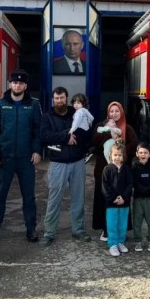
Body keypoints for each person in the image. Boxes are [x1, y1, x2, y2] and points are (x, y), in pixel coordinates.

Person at [0, 69, 42, 244]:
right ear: (10, 84)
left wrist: (37, 151)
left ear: (25, 86)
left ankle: (31, 229)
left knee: (29, 196)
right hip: (5, 157)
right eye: (14, 82)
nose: (17, 85)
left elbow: (37, 130)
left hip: (26, 158)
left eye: (20, 83)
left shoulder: (33, 104)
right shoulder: (0, 104)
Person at [39, 86, 91, 246]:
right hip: (58, 163)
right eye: (56, 98)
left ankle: (78, 230)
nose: (59, 101)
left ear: (66, 98)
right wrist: (65, 137)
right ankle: (49, 232)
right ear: (53, 99)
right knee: (54, 199)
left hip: (77, 161)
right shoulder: (47, 117)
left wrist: (79, 140)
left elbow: (86, 132)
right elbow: (45, 136)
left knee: (78, 198)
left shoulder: (76, 113)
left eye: (62, 98)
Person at [91, 101, 138, 241]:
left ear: (121, 112)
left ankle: (121, 229)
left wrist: (120, 150)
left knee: (122, 199)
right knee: (105, 199)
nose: (114, 114)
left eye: (117, 111)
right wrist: (109, 134)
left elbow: (134, 145)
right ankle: (105, 229)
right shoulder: (101, 126)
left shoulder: (128, 128)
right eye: (111, 111)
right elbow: (94, 142)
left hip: (122, 172)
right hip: (103, 172)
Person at [102, 142, 134, 257]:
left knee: (122, 224)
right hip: (111, 204)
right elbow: (105, 187)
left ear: (123, 156)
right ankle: (113, 244)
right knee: (112, 224)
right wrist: (113, 198)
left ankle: (120, 242)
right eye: (115, 155)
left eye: (120, 155)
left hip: (124, 203)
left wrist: (124, 197)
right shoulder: (107, 169)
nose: (117, 157)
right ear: (111, 155)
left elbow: (130, 184)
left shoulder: (126, 169)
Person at [131, 142, 150, 252]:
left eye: (145, 153)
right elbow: (133, 181)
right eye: (141, 152)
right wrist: (141, 189)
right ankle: (138, 241)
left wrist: (149, 189)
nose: (143, 154)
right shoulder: (134, 167)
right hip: (138, 198)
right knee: (137, 221)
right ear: (137, 154)